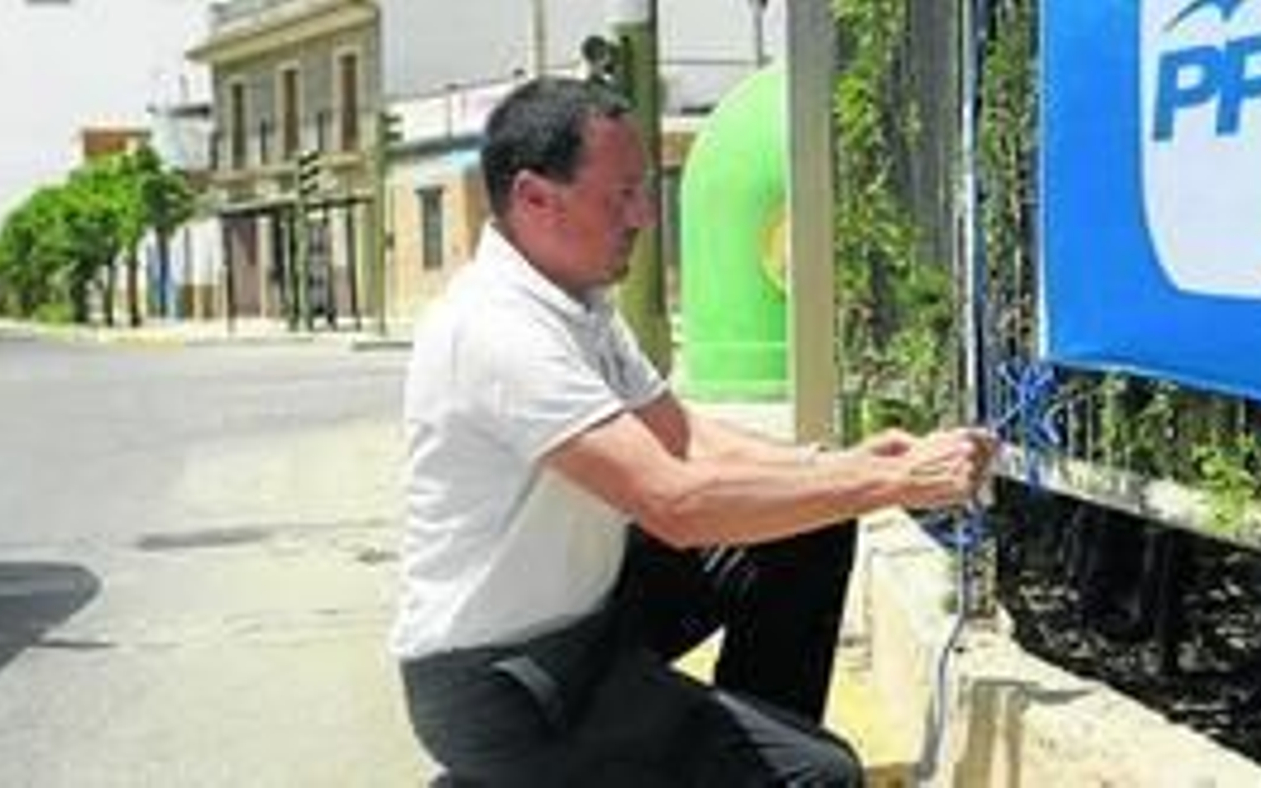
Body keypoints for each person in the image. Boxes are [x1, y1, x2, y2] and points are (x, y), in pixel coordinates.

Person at [393, 76, 995, 787]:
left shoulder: (578, 303)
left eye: (645, 190)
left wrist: (834, 464)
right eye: (622, 194)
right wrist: (893, 481)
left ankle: (740, 757)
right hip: (508, 688)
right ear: (534, 198)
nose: (645, 215)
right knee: (822, 778)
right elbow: (674, 504)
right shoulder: (496, 331)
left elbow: (684, 439)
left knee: (810, 522)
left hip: (593, 627)